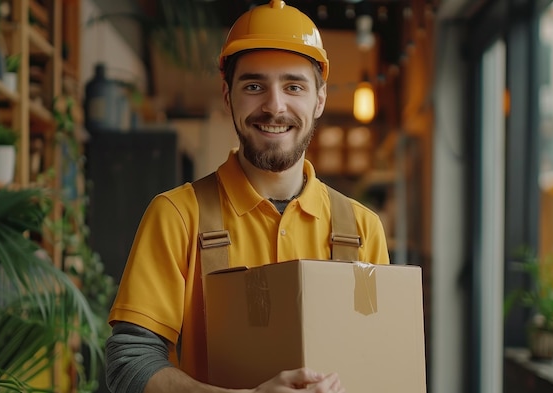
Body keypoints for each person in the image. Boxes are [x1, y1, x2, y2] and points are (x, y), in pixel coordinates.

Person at [104, 1, 390, 392]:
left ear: (319, 100)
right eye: (254, 86)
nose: (274, 106)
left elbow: (379, 363)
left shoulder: (362, 231)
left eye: (294, 86)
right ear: (227, 96)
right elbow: (129, 364)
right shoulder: (177, 216)